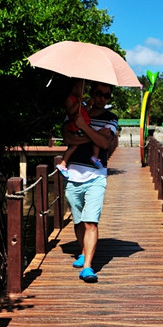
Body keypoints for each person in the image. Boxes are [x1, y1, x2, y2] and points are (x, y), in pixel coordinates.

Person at [62, 81, 118, 283]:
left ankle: (87, 268)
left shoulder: (110, 118)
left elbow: (105, 143)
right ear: (91, 94)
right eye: (99, 93)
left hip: (96, 176)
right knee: (78, 222)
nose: (102, 98)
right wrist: (92, 135)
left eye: (106, 95)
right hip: (73, 175)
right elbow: (68, 137)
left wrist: (83, 128)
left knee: (90, 222)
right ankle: (84, 252)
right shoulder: (76, 111)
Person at [56, 78, 103, 178]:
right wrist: (78, 102)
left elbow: (82, 111)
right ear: (74, 89)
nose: (84, 91)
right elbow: (71, 112)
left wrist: (88, 105)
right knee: (90, 140)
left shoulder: (78, 100)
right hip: (77, 126)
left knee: (93, 138)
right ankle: (64, 163)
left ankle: (94, 156)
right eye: (83, 89)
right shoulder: (70, 99)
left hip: (84, 124)